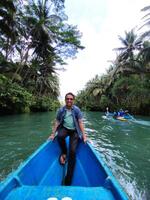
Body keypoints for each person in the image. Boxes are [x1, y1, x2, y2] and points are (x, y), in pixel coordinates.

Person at [48, 92, 87, 186]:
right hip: (65, 128)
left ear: (73, 100)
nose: (69, 100)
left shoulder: (77, 110)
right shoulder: (61, 110)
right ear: (65, 100)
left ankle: (68, 179)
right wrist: (53, 134)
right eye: (67, 99)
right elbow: (57, 122)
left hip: (74, 131)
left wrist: (84, 136)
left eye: (71, 99)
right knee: (60, 136)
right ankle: (64, 152)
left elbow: (80, 122)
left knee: (73, 151)